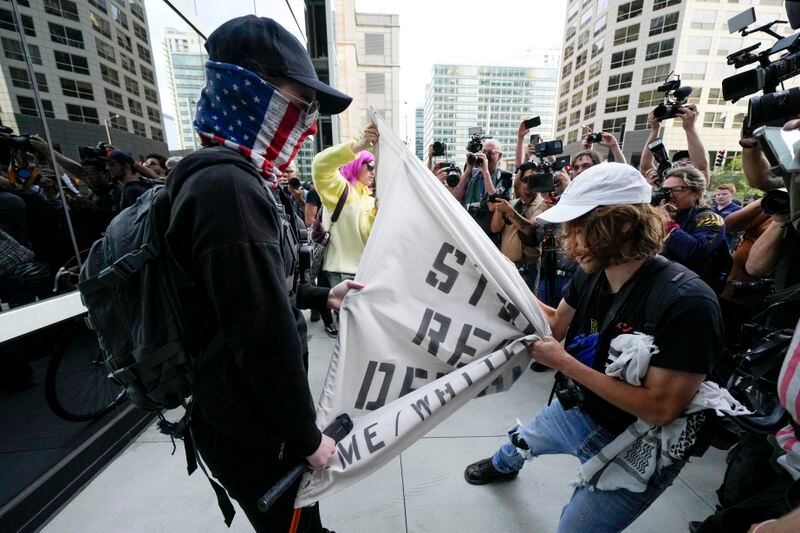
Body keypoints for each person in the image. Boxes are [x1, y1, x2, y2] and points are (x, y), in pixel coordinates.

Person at [162, 15, 357, 532]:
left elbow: (257, 288)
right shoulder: (229, 188)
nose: (310, 124)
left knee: (301, 520)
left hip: (246, 414)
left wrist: (320, 295)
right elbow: (260, 333)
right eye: (300, 105)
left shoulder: (233, 178)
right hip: (255, 426)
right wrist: (306, 438)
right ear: (249, 92)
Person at [463, 162, 723, 533]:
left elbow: (662, 408)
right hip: (581, 409)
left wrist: (565, 363)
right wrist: (503, 275)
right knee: (523, 440)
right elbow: (555, 324)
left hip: (639, 445)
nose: (570, 243)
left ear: (624, 223)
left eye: (581, 228)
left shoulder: (688, 302)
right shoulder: (592, 274)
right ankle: (504, 465)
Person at [311, 124, 378, 288]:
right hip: (341, 274)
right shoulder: (340, 189)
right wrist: (358, 146)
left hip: (367, 273)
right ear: (356, 164)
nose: (373, 171)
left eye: (375, 167)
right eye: (369, 165)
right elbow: (319, 166)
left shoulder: (371, 200)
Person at [660, 167, 731, 294]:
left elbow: (694, 251)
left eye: (676, 189)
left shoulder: (711, 218)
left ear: (696, 193)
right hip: (663, 285)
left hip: (693, 292)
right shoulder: (664, 215)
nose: (669, 195)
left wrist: (666, 223)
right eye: (665, 190)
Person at [489, 162, 546, 293]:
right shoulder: (513, 204)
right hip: (507, 266)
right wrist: (499, 205)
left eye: (532, 180)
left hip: (527, 269)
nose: (527, 184)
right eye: (524, 180)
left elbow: (530, 229)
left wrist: (509, 211)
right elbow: (495, 228)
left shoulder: (543, 204)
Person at [452, 138, 512, 246]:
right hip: (467, 233)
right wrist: (469, 168)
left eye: (491, 153)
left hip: (488, 237)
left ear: (500, 156)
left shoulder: (504, 177)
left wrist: (485, 171)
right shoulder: (472, 173)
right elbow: (456, 196)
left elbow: (493, 206)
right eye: (484, 152)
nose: (486, 156)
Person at [639, 104, 710, 180]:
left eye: (689, 162)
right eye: (679, 162)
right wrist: (655, 128)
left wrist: (690, 128)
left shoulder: (697, 186)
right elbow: (645, 167)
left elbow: (702, 167)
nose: (683, 163)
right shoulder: (663, 181)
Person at [713, 183, 742, 250]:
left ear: (732, 195)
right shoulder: (710, 209)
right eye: (718, 194)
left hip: (726, 245)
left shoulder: (738, 210)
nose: (720, 197)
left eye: (724, 194)